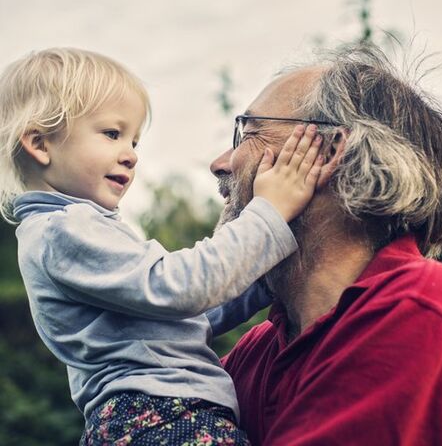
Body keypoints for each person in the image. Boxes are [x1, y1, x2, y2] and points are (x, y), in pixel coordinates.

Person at [0, 48, 324, 445]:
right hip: (158, 419)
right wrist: (268, 213)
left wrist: (263, 276)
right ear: (40, 143)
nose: (131, 155)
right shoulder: (62, 231)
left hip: (158, 417)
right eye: (112, 134)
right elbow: (183, 288)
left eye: (134, 140)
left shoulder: (73, 230)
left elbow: (185, 318)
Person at [209, 44, 442, 445]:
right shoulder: (257, 351)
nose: (221, 162)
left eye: (248, 133)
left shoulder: (418, 309)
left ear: (330, 151)